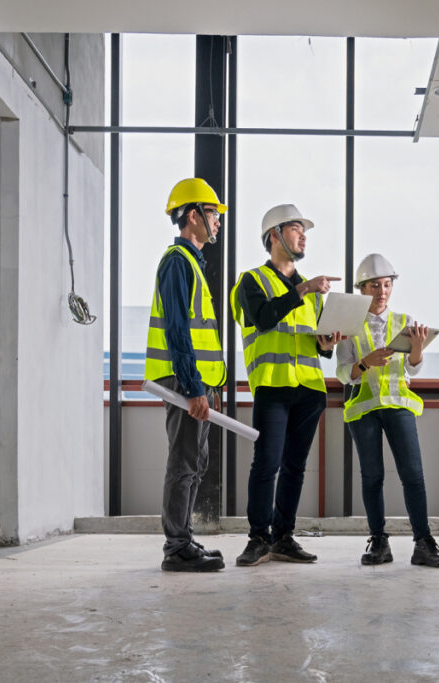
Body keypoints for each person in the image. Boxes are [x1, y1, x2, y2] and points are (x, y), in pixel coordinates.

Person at [230, 204, 345, 567]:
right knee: (266, 464)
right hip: (273, 387)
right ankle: (258, 537)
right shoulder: (251, 281)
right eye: (296, 228)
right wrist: (304, 288)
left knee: (295, 467)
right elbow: (264, 319)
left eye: (304, 230)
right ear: (274, 236)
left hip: (309, 389)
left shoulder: (311, 292)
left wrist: (326, 345)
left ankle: (283, 536)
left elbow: (312, 342)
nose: (303, 235)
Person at [335, 253, 439, 568]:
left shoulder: (405, 322)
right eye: (375, 285)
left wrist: (417, 351)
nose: (382, 291)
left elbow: (413, 371)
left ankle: (423, 542)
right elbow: (343, 373)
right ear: (362, 288)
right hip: (364, 410)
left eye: (387, 284)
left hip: (399, 406)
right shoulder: (348, 326)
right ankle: (378, 541)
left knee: (413, 475)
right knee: (372, 476)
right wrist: (364, 363)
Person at [145, 178, 228, 572]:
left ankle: (185, 539)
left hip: (197, 385)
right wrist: (194, 388)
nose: (217, 221)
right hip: (183, 384)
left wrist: (209, 387)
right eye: (212, 214)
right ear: (192, 215)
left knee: (196, 462)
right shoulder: (178, 263)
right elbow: (178, 331)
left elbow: (198, 337)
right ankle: (176, 547)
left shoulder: (192, 263)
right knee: (183, 462)